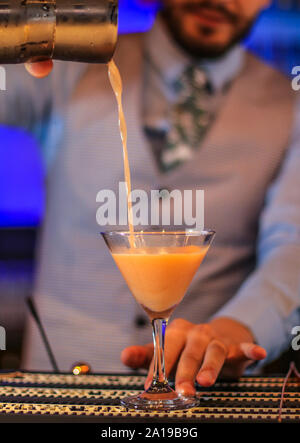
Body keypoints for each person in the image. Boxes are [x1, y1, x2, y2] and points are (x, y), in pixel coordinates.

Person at [3, 0, 299, 396]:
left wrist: (237, 326)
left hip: (202, 391)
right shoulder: (67, 60)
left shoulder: (292, 104)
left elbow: (293, 246)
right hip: (60, 378)